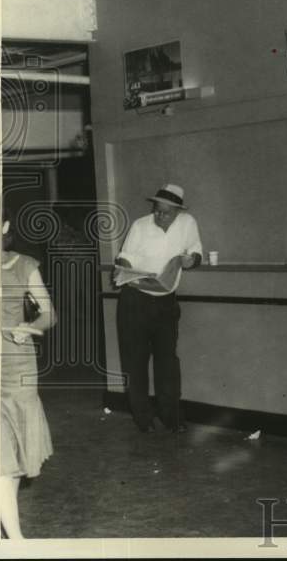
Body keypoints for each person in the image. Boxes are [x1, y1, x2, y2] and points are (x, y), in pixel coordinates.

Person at [113, 183, 202, 433]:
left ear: (177, 211)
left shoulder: (188, 223)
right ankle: (144, 419)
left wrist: (189, 260)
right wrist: (123, 267)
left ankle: (171, 418)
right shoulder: (141, 225)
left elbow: (196, 252)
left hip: (165, 302)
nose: (159, 216)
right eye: (157, 211)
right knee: (135, 362)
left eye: (166, 212)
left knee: (168, 363)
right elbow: (126, 255)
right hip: (135, 300)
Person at [0, 212, 57, 539]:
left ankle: (12, 538)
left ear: (5, 227)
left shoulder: (23, 265)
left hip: (18, 367)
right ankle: (16, 540)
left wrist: (32, 327)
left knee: (14, 454)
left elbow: (49, 312)